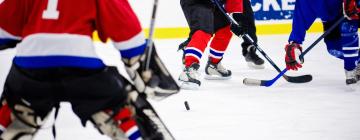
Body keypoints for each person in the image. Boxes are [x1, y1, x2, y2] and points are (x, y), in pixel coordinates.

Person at [0, 0, 178, 139]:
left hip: (29, 68)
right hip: (81, 65)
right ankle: (128, 124)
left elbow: (4, 28)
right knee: (122, 104)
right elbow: (126, 31)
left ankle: (9, 119)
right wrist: (141, 64)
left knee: (15, 103)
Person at [178, 0, 264, 89]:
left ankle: (213, 65)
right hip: (196, 2)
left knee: (226, 28)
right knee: (204, 30)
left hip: (213, 3)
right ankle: (188, 70)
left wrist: (234, 19)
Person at [284, 0, 360, 86]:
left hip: (353, 10)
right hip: (332, 18)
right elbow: (301, 18)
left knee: (347, 28)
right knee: (334, 48)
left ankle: (351, 69)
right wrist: (295, 43)